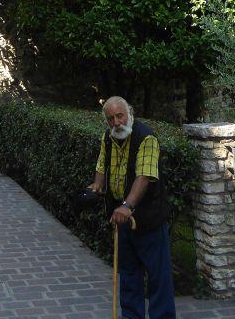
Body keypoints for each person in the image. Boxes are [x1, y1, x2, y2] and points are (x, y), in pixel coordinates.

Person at [87, 96, 175, 319]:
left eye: (120, 116)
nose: (116, 123)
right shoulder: (108, 137)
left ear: (129, 113)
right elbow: (102, 165)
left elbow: (144, 176)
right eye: (111, 119)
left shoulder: (146, 137)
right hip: (121, 218)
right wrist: (97, 185)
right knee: (128, 274)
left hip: (148, 217)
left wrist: (127, 205)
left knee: (158, 277)